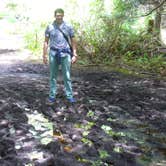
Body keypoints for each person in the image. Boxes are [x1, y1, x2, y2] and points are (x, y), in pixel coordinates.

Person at [43, 8, 78, 105]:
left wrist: (74, 54)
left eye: (61, 15)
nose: (59, 17)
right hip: (53, 53)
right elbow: (46, 42)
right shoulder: (49, 27)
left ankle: (69, 95)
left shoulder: (68, 26)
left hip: (65, 53)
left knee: (67, 76)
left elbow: (73, 40)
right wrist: (44, 55)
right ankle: (52, 95)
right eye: (57, 15)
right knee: (53, 76)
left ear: (63, 15)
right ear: (54, 16)